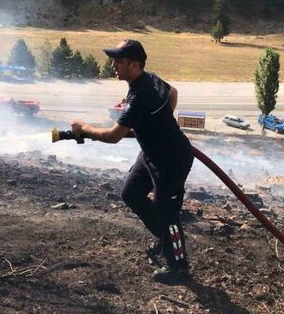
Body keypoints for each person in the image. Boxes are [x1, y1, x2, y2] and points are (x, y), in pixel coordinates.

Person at [71, 39, 194, 282]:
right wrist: (157, 125)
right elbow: (172, 93)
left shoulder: (140, 95)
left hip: (172, 159)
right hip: (151, 154)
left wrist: (84, 128)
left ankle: (178, 267)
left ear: (135, 65)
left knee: (167, 212)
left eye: (119, 61)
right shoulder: (149, 79)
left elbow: (113, 136)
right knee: (131, 193)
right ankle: (165, 238)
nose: (114, 64)